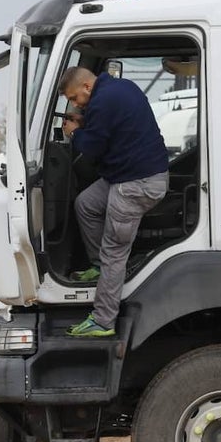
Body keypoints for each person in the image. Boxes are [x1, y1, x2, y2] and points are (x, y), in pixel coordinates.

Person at [59, 66, 169, 337]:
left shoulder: (102, 102)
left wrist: (74, 132)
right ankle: (97, 267)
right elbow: (110, 127)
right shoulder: (119, 89)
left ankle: (102, 321)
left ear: (86, 87)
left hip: (136, 185)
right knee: (85, 203)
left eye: (75, 98)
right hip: (131, 176)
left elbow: (92, 148)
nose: (75, 103)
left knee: (114, 253)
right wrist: (84, 122)